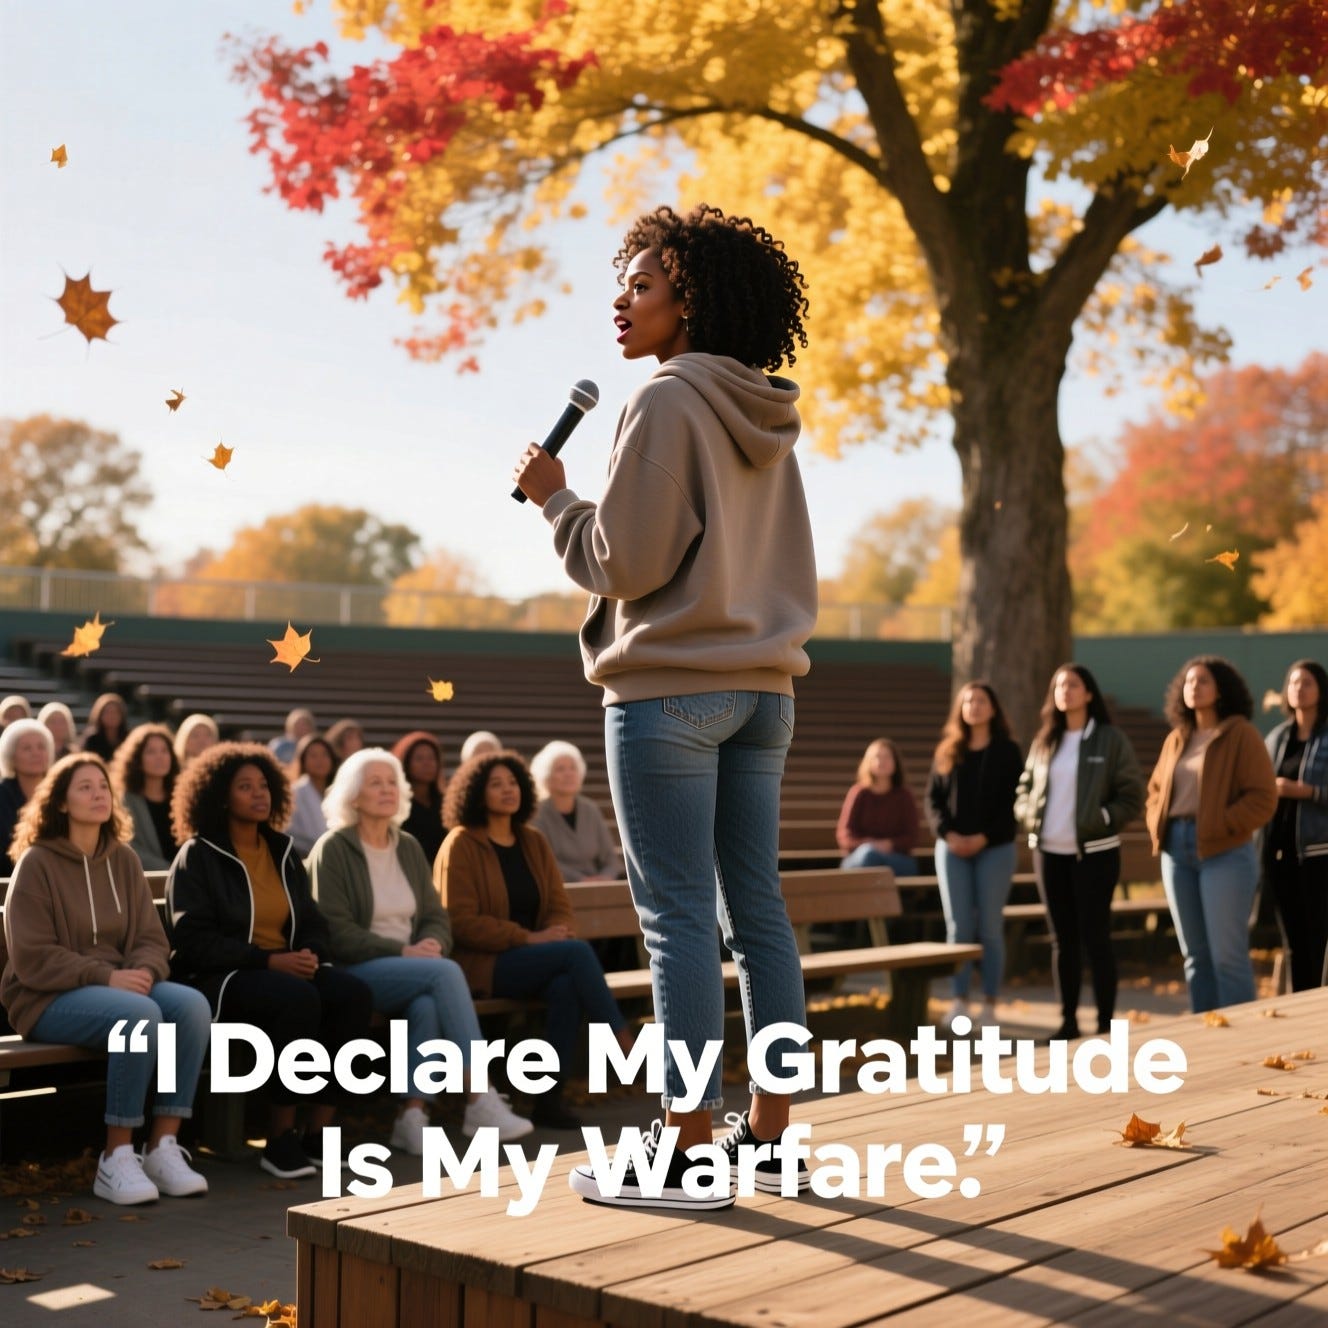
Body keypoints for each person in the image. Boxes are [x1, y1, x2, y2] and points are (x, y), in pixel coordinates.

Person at [511, 203, 816, 1210]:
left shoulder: (662, 402)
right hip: (762, 688)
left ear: (691, 299)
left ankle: (682, 1149)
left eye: (641, 283)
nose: (621, 299)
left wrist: (556, 498)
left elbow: (623, 560)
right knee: (756, 911)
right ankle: (767, 1137)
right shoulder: (764, 410)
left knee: (676, 918)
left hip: (669, 692)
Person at [1, 754, 211, 1204]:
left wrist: (143, 970)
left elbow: (151, 939)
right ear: (59, 802)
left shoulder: (124, 860)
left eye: (103, 786)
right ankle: (116, 1157)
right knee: (140, 1014)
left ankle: (162, 1146)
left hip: (116, 990)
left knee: (190, 1006)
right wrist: (105, 976)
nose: (98, 794)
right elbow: (31, 957)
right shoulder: (37, 863)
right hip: (45, 998)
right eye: (84, 787)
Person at [307, 748, 532, 1151]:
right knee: (444, 974)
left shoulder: (407, 845)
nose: (386, 789)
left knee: (428, 1002)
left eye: (392, 781)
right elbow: (335, 932)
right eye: (374, 782)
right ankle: (479, 1096)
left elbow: (435, 915)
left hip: (412, 970)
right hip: (352, 970)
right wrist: (403, 950)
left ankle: (411, 1117)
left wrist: (432, 943)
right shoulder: (333, 848)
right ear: (352, 796)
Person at [166, 743, 373, 1179]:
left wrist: (310, 954)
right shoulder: (199, 855)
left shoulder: (281, 850)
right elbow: (193, 941)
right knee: (297, 1000)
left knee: (351, 994)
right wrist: (267, 960)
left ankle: (318, 1132)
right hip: (223, 978)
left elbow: (312, 920)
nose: (258, 794)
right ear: (221, 796)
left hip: (283, 970)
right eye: (245, 787)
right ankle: (278, 1139)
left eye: (263, 786)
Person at [435, 751, 632, 1131]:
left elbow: (559, 906)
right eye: (496, 784)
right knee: (575, 955)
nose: (507, 790)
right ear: (475, 793)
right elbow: (460, 922)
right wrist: (528, 937)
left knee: (566, 987)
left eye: (512, 783)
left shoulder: (533, 841)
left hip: (537, 959)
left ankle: (549, 1099)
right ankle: (624, 1042)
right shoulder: (461, 844)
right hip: (484, 965)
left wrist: (553, 932)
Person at [1014, 665, 1145, 1039]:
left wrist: (1102, 817)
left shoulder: (1109, 739)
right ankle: (1067, 1021)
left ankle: (1105, 1024)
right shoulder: (1045, 742)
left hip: (1095, 853)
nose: (1064, 691)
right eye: (1058, 685)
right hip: (1049, 854)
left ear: (1089, 693)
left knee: (1096, 937)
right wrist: (1027, 817)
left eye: (1072, 685)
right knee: (1063, 940)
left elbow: (1132, 794)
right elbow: (1023, 789)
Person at [1145, 656, 1277, 1013]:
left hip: (1226, 853)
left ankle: (1242, 1040)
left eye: (1203, 681)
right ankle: (1204, 1034)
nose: (1194, 687)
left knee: (1226, 956)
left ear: (1221, 690)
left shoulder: (1241, 734)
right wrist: (1159, 821)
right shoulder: (1177, 739)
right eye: (1189, 681)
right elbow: (1155, 790)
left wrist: (1220, 824)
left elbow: (1264, 798)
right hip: (1177, 853)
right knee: (1195, 957)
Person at [927, 681, 1024, 1031]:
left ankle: (990, 1003)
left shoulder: (1008, 751)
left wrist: (984, 837)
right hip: (951, 849)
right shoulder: (948, 750)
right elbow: (933, 801)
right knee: (959, 927)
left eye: (981, 700)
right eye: (968, 701)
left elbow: (1015, 803)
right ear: (961, 709)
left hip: (994, 849)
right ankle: (959, 1000)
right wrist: (949, 834)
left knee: (990, 927)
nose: (974, 706)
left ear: (993, 708)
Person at [1261, 659, 1328, 992]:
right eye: (1293, 683)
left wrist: (1308, 792)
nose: (1299, 688)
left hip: (1319, 853)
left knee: (1318, 940)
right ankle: (1301, 1010)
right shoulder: (1276, 738)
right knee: (1293, 942)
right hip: (1279, 853)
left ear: (1321, 690)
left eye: (1307, 683)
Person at [529, 741, 622, 882]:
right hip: (559, 887)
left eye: (573, 768)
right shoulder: (537, 813)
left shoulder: (591, 809)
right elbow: (540, 861)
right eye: (560, 769)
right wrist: (581, 880)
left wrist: (606, 877)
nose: (569, 774)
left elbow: (610, 858)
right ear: (546, 777)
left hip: (599, 887)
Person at [836, 738, 921, 878]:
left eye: (887, 757)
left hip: (895, 858)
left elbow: (911, 836)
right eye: (877, 757)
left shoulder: (904, 796)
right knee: (869, 855)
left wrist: (889, 844)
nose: (881, 762)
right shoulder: (858, 793)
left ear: (895, 762)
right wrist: (868, 844)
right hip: (861, 857)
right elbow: (844, 835)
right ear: (868, 762)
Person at [110, 723, 181, 872]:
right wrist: (170, 871)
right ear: (137, 760)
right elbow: (127, 845)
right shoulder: (124, 801)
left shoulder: (182, 797)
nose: (160, 757)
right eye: (151, 752)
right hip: (150, 881)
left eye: (164, 751)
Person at [1, 718, 55, 868]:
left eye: (41, 747)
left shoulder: (60, 793)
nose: (36, 753)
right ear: (11, 756)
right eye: (27, 748)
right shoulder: (2, 795)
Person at [392, 731, 446, 867]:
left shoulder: (446, 804)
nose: (427, 763)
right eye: (419, 758)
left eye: (432, 758)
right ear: (406, 763)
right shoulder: (396, 805)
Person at [287, 733, 338, 858]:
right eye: (313, 756)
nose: (320, 760)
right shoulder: (295, 792)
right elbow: (289, 833)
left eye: (324, 755)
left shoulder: (338, 791)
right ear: (303, 760)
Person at [78, 693, 129, 762]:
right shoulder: (92, 740)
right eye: (107, 712)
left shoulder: (129, 739)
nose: (111, 716)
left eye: (115, 712)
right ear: (99, 715)